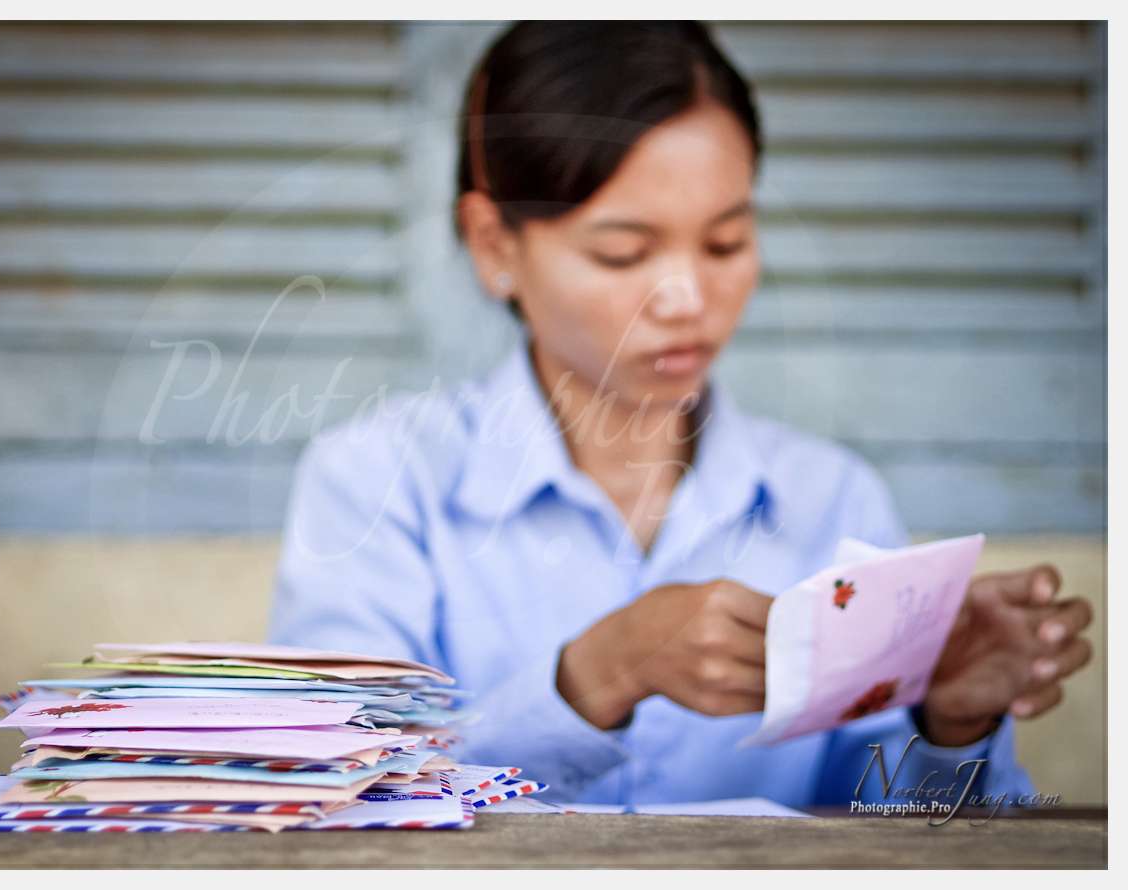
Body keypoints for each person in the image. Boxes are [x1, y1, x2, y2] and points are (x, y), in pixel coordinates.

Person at [268, 22, 1094, 807]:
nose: (688, 299)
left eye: (727, 243)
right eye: (623, 253)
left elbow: (904, 837)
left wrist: (951, 723)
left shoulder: (833, 500)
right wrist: (596, 677)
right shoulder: (377, 483)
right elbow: (347, 806)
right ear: (493, 246)